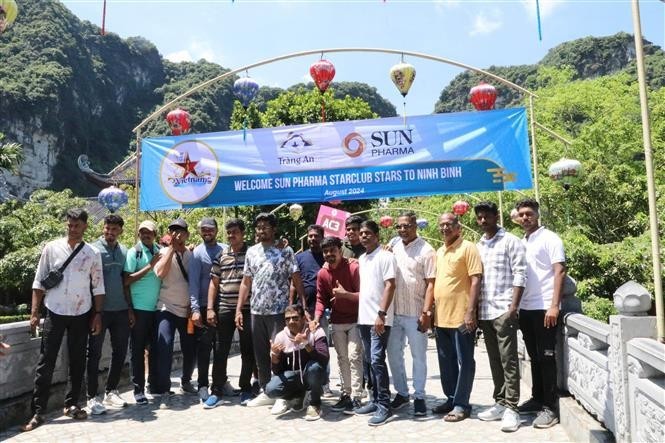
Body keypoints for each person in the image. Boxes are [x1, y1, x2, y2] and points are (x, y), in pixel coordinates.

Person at [22, 208, 105, 432]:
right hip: (54, 310)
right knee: (46, 362)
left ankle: (72, 404)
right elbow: (39, 281)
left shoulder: (92, 253)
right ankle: (38, 412)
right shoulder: (51, 248)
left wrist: (97, 315)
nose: (73, 229)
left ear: (86, 226)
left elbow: (98, 287)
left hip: (82, 312)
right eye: (70, 225)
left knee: (78, 362)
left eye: (77, 225)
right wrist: (34, 313)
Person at [236, 212, 307, 407]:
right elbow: (246, 281)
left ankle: (283, 393)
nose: (261, 230)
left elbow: (296, 279)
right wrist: (238, 309)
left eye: (265, 226)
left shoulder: (285, 251)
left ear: (274, 229)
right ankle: (266, 391)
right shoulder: (251, 251)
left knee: (280, 352)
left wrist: (303, 304)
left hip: (278, 312)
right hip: (256, 312)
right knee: (260, 355)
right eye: (258, 227)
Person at [473, 202, 526, 432]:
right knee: (494, 359)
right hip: (485, 310)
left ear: (496, 216)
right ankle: (500, 401)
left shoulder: (510, 241)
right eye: (480, 217)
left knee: (509, 360)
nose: (483, 221)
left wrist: (513, 307)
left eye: (487, 216)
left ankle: (513, 408)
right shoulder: (479, 245)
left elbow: (520, 274)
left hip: (504, 309)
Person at [515, 198, 567, 429]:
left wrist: (554, 305)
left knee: (546, 358)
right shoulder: (521, 242)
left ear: (537, 214)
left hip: (545, 307)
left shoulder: (550, 239)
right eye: (522, 214)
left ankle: (550, 407)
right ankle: (537, 398)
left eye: (529, 213)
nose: (525, 217)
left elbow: (560, 271)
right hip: (526, 308)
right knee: (534, 356)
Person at [432, 213, 482, 422]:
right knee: (446, 362)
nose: (445, 228)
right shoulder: (440, 250)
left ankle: (462, 404)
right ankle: (451, 398)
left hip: (461, 317)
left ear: (458, 227)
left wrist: (470, 311)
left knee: (465, 362)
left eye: (449, 225)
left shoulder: (468, 247)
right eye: (441, 225)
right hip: (440, 318)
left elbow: (476, 279)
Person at [386, 211, 436, 417]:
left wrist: (426, 313)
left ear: (415, 226)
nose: (402, 230)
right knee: (394, 355)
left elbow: (431, 284)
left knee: (418, 356)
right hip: (394, 312)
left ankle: (420, 396)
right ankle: (402, 392)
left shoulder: (427, 250)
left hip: (416, 313)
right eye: (399, 226)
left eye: (406, 226)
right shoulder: (393, 247)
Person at [205, 218, 256, 408]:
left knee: (247, 349)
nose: (231, 235)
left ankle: (245, 388)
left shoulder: (252, 253)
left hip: (247, 308)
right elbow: (214, 283)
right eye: (229, 232)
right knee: (220, 350)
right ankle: (217, 389)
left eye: (235, 231)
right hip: (225, 307)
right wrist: (210, 308)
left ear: (243, 233)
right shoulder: (221, 255)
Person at [86, 215, 131, 416]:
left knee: (120, 352)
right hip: (99, 311)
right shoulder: (93, 249)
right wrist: (93, 311)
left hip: (120, 310)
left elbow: (126, 281)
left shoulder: (124, 251)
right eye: (107, 228)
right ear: (103, 228)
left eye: (114, 229)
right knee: (94, 354)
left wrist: (130, 308)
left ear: (120, 230)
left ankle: (111, 391)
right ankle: (91, 396)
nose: (110, 232)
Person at [354, 220, 396, 426]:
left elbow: (391, 285)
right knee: (369, 361)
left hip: (379, 319)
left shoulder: (386, 256)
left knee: (377, 360)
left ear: (377, 235)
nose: (363, 236)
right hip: (363, 319)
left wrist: (381, 314)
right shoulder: (362, 258)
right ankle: (375, 399)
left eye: (368, 233)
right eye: (361, 233)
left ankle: (384, 406)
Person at [313, 236, 362, 413]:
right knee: (342, 358)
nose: (329, 254)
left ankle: (357, 396)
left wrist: (345, 295)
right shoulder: (322, 273)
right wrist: (317, 318)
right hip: (337, 321)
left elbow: (364, 295)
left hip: (356, 320)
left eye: (332, 250)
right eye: (325, 251)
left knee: (354, 356)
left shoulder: (354, 267)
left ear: (340, 251)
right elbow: (320, 299)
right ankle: (346, 394)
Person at [152, 218, 196, 407]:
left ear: (187, 234)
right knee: (165, 345)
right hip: (166, 307)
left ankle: (186, 381)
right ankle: (163, 388)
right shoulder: (162, 252)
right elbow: (160, 273)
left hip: (186, 310)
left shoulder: (192, 255)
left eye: (181, 232)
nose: (177, 235)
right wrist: (171, 248)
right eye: (173, 231)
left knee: (190, 349)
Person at [265, 304, 329, 421]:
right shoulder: (280, 337)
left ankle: (315, 403)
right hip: (296, 376)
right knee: (271, 389)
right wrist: (275, 356)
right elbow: (279, 371)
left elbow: (324, 359)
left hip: (316, 374)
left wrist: (306, 344)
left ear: (304, 318)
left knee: (314, 368)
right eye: (287, 319)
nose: (291, 321)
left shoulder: (316, 331)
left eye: (295, 318)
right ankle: (298, 395)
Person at [123, 219, 161, 406]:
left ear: (155, 234)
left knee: (154, 349)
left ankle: (154, 385)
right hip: (139, 309)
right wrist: (150, 266)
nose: (146, 235)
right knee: (137, 351)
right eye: (142, 232)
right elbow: (126, 281)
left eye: (149, 232)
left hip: (156, 309)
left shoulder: (159, 251)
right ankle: (138, 389)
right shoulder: (134, 252)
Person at [188, 217, 226, 402]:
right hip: (203, 307)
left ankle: (221, 381)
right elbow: (193, 283)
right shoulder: (197, 253)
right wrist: (195, 309)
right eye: (203, 229)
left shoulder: (225, 249)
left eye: (210, 229)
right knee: (204, 349)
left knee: (221, 348)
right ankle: (202, 384)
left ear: (217, 231)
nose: (207, 232)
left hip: (224, 305)